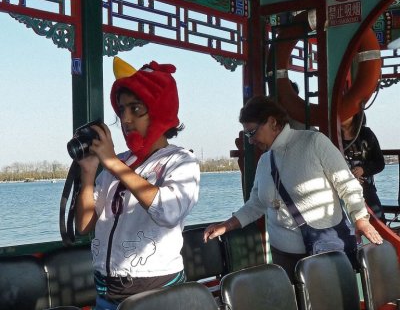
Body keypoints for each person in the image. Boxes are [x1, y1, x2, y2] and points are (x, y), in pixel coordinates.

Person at [203, 96, 383, 283]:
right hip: (282, 257)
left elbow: (347, 185)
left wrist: (361, 219)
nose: (250, 141)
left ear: (273, 122)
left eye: (252, 132)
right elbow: (256, 204)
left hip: (321, 252)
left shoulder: (313, 142)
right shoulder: (265, 161)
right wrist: (226, 226)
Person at [75, 57, 200, 310]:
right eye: (122, 110)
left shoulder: (181, 161)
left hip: (156, 295)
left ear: (159, 110)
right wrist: (89, 174)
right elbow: (83, 225)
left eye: (136, 109)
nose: (126, 119)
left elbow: (168, 212)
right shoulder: (117, 163)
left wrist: (112, 163)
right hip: (106, 293)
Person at [341, 111, 386, 222]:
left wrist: (363, 170)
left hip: (366, 188)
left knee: (379, 221)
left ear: (356, 115)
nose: (342, 115)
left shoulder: (366, 134)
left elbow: (380, 163)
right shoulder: (331, 134)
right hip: (341, 191)